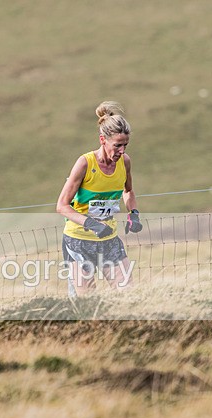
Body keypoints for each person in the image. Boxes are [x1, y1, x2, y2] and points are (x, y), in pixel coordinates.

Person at [56, 101, 142, 296]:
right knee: (88, 301)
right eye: (117, 145)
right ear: (103, 139)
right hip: (79, 242)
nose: (122, 151)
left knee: (129, 294)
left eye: (126, 145)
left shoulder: (124, 162)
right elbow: (62, 206)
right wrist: (93, 224)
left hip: (109, 240)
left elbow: (128, 191)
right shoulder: (85, 163)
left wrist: (133, 214)